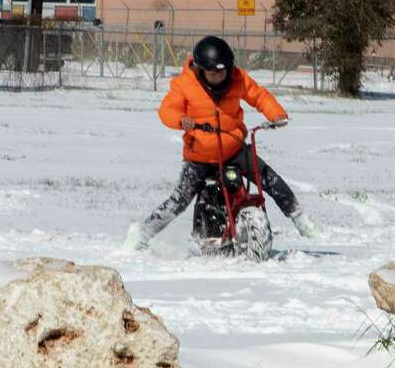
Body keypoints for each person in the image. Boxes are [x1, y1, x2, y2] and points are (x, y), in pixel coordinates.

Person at [125, 35, 318, 250]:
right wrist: (181, 119)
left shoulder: (238, 78)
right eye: (212, 73)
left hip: (233, 148)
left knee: (269, 179)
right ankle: (142, 235)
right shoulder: (184, 84)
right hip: (199, 155)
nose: (218, 77)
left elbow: (259, 96)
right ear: (200, 69)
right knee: (179, 200)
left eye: (222, 71)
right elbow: (167, 110)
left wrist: (276, 115)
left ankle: (302, 221)